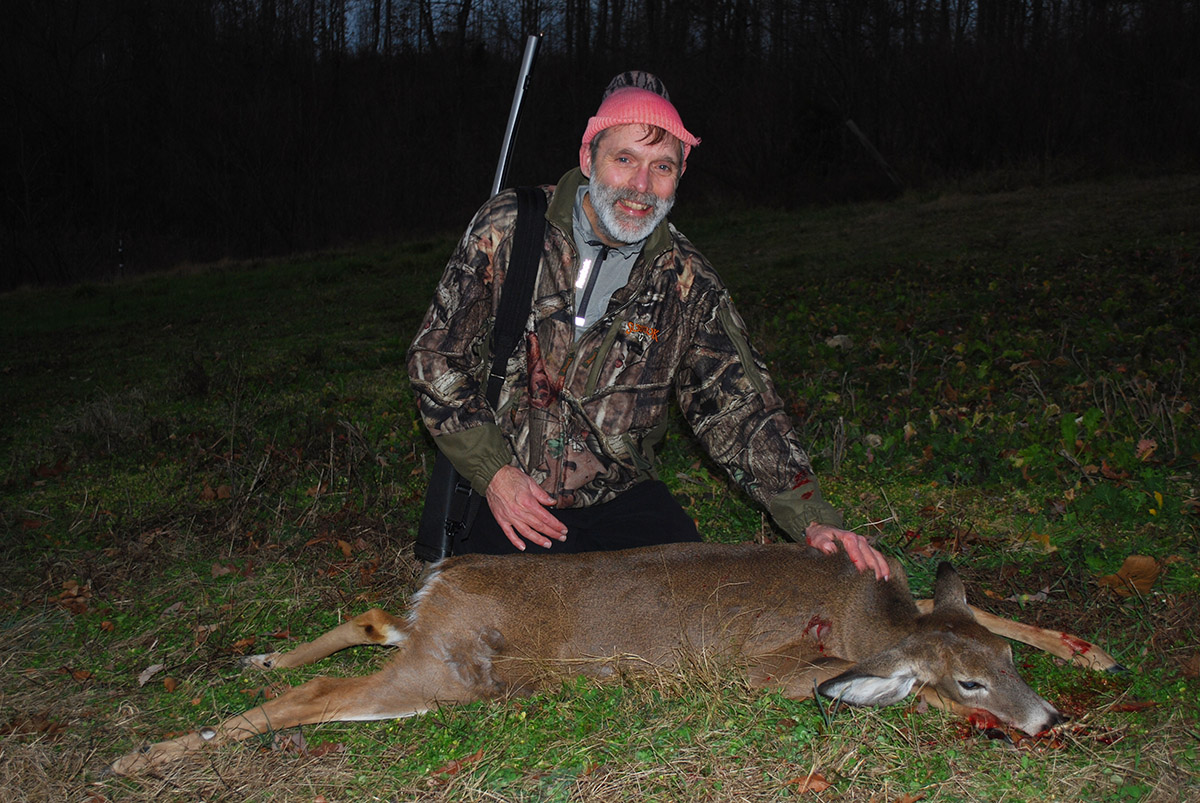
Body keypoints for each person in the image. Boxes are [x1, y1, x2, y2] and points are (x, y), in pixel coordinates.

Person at [407, 71, 888, 579]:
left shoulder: (686, 281)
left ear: (679, 176)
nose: (641, 187)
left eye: (662, 167)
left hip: (620, 495)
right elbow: (436, 355)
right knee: (523, 630)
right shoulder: (512, 226)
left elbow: (740, 409)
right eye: (624, 160)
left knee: (702, 610)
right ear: (588, 158)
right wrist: (493, 472)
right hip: (510, 491)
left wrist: (813, 520)